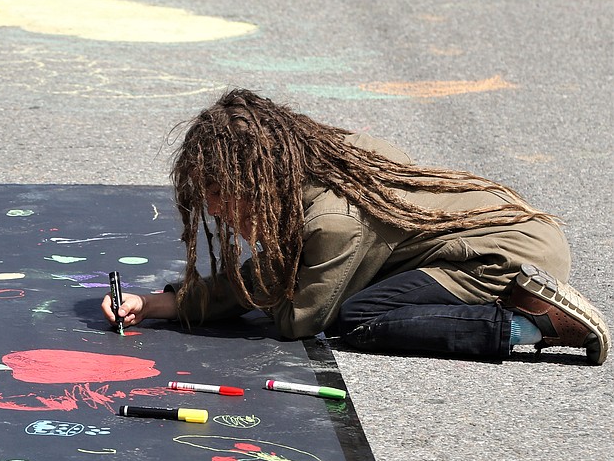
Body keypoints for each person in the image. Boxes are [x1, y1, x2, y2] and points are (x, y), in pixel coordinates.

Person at [103, 89, 609, 365]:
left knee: (358, 316)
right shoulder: (320, 156)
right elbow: (277, 273)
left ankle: (533, 324)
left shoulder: (332, 220)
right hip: (512, 235)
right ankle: (529, 307)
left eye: (225, 203)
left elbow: (296, 317)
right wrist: (157, 304)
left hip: (505, 259)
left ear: (257, 181)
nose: (219, 217)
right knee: (362, 296)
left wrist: (203, 297)